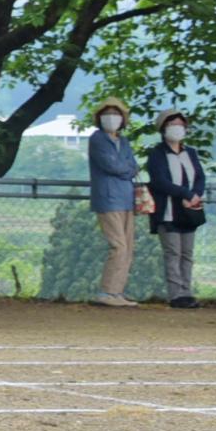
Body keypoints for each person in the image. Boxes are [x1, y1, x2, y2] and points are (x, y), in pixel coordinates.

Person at [147, 109, 205, 310]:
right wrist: (185, 194)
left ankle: (187, 292)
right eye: (173, 124)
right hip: (168, 211)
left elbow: (199, 177)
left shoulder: (190, 153)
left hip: (189, 212)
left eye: (181, 125)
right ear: (163, 128)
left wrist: (195, 195)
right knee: (173, 253)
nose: (177, 128)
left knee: (187, 253)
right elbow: (160, 181)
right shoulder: (157, 154)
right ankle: (176, 294)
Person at [87, 96, 140, 308]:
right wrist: (126, 169)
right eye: (107, 114)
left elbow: (133, 165)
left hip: (127, 199)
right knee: (118, 246)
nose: (112, 118)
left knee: (127, 247)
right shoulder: (97, 139)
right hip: (107, 199)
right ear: (99, 118)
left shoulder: (124, 141)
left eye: (116, 114)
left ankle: (117, 291)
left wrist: (125, 169)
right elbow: (112, 166)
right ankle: (107, 291)